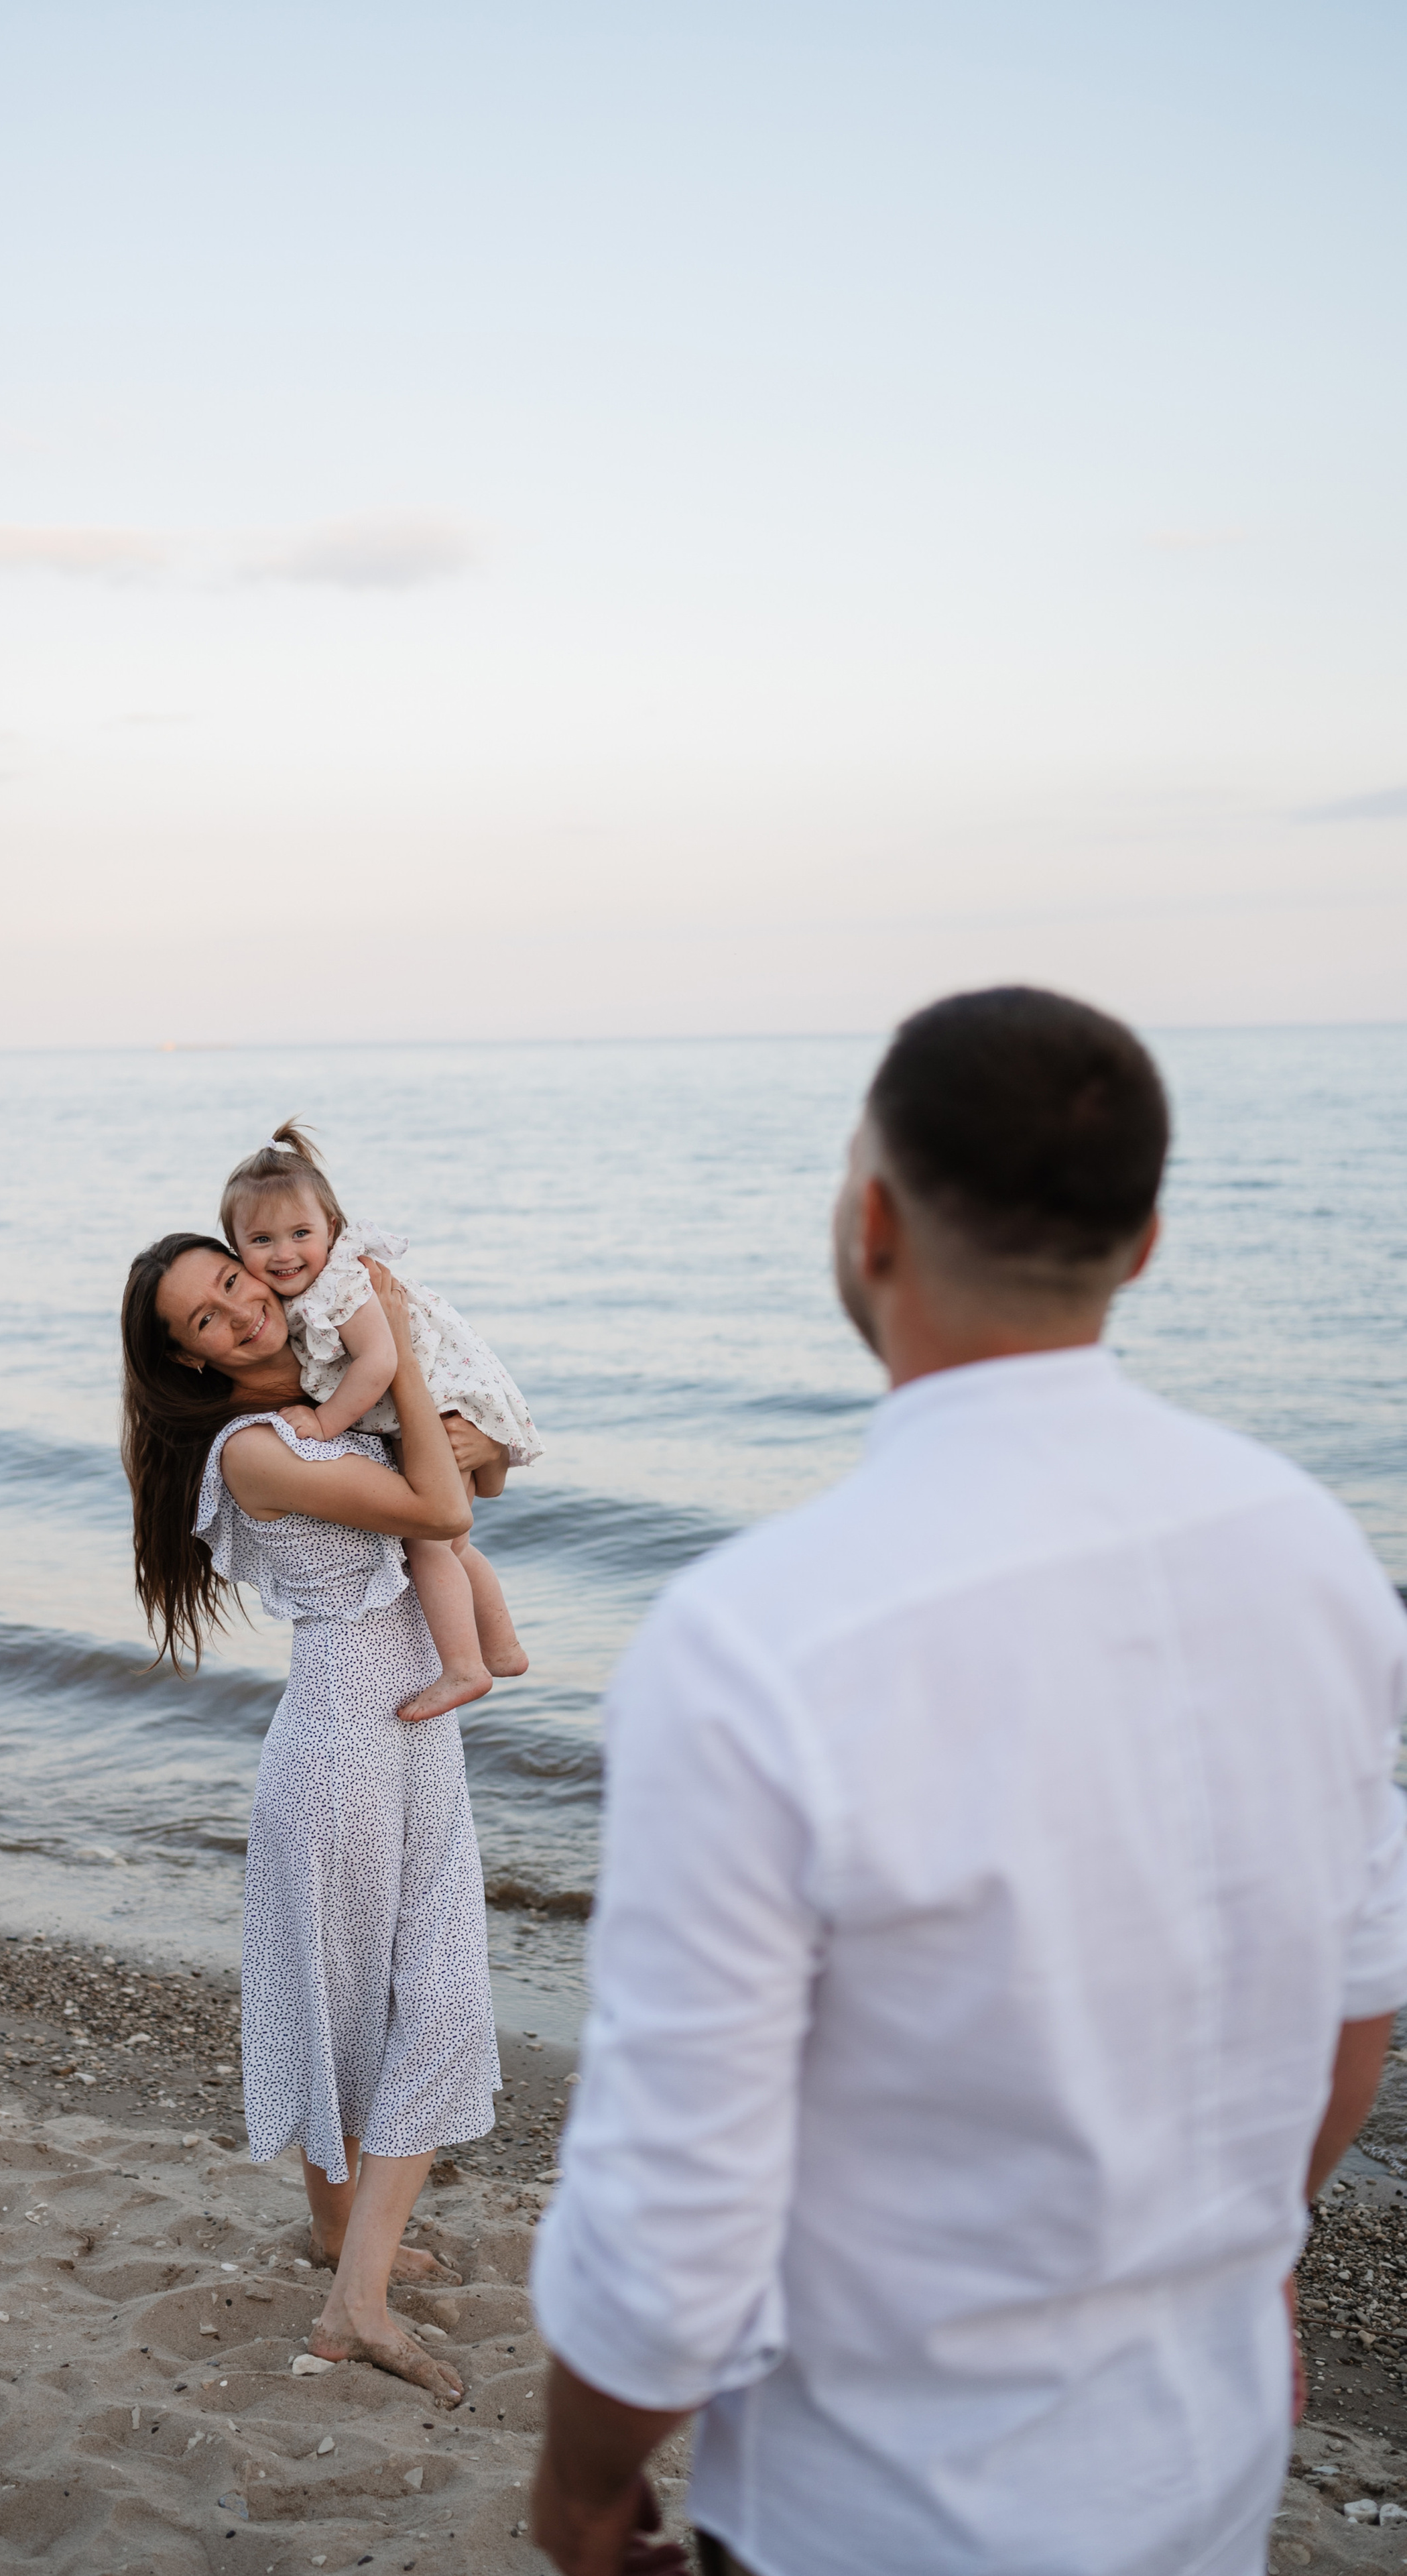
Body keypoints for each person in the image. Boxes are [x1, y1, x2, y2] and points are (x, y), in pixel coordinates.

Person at [530, 986, 1407, 2576]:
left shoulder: (754, 1640)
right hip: (1201, 2457)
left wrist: (584, 2478)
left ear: (869, 1219)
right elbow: (1352, 2008)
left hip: (878, 2504)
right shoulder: (1311, 1551)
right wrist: (1233, 2258)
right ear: (1142, 1240)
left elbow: (679, 2188)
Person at [121, 1232, 509, 2406]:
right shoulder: (253, 1450)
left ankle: (344, 2245)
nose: (241, 1312)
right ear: (187, 1363)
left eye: (235, 1282)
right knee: (425, 2006)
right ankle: (357, 2304)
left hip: (404, 1729)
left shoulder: (318, 1410)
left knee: (354, 2002)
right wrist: (402, 1372)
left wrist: (403, 1388)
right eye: (205, 1318)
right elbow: (447, 1496)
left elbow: (481, 1469)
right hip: (347, 1739)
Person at [221, 1122, 540, 1722]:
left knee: (432, 1542)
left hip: (443, 1399)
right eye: (261, 1240)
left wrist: (324, 1424)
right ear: (236, 1245)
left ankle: (467, 1667)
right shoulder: (304, 1295)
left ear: (332, 1230)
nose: (284, 1253)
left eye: (300, 1234)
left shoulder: (341, 1283)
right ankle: (502, 1649)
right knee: (451, 1542)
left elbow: (380, 1361)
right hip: (433, 1403)